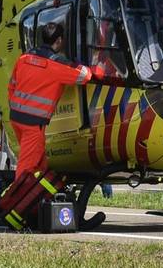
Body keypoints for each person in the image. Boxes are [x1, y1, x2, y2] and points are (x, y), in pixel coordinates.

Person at [7, 22, 100, 185]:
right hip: (33, 125)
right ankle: (17, 201)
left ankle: (39, 195)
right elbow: (85, 76)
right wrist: (78, 63)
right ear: (58, 41)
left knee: (39, 160)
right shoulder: (56, 65)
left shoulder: (24, 59)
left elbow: (11, 86)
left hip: (16, 119)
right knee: (27, 166)